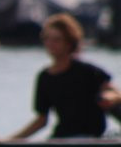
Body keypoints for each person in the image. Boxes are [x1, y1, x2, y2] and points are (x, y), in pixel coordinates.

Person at [7, 12, 121, 140]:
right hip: (62, 138)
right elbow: (41, 120)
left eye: (56, 40)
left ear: (69, 42)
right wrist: (10, 140)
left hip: (91, 139)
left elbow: (116, 94)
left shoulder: (88, 71)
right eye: (47, 39)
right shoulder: (45, 77)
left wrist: (109, 97)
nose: (50, 44)